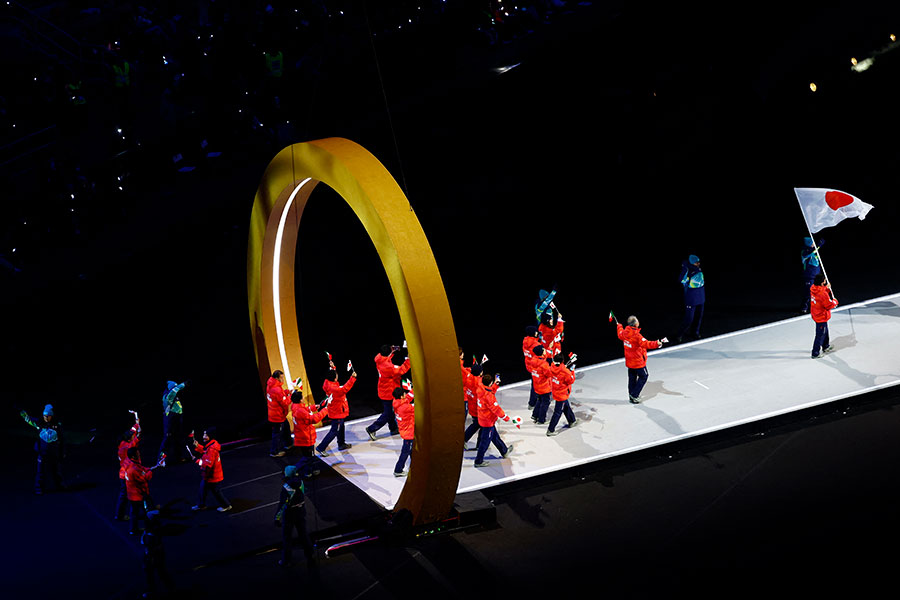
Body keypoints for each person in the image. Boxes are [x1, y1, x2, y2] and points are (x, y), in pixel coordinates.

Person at [616, 315, 664, 403]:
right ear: (635, 324)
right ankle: (634, 395)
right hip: (638, 362)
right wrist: (657, 343)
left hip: (629, 361)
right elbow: (647, 344)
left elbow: (619, 333)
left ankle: (631, 395)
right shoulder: (637, 336)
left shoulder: (624, 333)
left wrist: (619, 326)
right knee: (644, 376)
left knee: (632, 378)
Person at [19, 404, 65, 494]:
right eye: (44, 416)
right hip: (42, 452)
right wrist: (23, 413)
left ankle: (59, 486)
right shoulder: (39, 422)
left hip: (53, 452)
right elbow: (29, 419)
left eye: (48, 416)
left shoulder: (57, 425)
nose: (46, 418)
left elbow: (62, 440)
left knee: (56, 471)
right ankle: (38, 488)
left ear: (51, 416)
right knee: (40, 471)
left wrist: (62, 452)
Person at [366, 345, 409, 440]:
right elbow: (401, 370)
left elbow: (387, 356)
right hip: (388, 392)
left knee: (390, 411)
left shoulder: (379, 358)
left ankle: (393, 429)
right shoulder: (388, 367)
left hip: (383, 389)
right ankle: (371, 429)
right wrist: (408, 360)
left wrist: (393, 350)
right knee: (388, 413)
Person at [275, 465, 314, 569]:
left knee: (287, 538)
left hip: (289, 515)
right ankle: (310, 554)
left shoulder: (286, 487)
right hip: (301, 511)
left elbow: (283, 504)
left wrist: (277, 518)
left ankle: (286, 560)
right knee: (304, 535)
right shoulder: (301, 482)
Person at [474, 374, 514, 467]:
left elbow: (489, 390)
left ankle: (504, 451)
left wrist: (495, 385)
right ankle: (478, 461)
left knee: (495, 436)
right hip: (487, 421)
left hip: (482, 417)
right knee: (485, 442)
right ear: (490, 383)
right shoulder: (489, 397)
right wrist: (505, 417)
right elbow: (496, 409)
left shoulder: (480, 387)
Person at [316, 368, 357, 456]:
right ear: (334, 378)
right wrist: (352, 378)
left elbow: (331, 376)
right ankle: (321, 447)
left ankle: (341, 444)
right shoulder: (335, 389)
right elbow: (345, 389)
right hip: (337, 412)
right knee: (334, 431)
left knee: (341, 427)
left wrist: (333, 367)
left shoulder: (327, 382)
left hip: (335, 409)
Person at [191, 427, 232, 512]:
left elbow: (207, 465)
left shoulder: (212, 449)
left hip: (212, 476)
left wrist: (196, 460)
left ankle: (226, 505)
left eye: (206, 435)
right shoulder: (211, 445)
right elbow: (205, 451)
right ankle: (201, 505)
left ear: (211, 437)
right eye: (204, 434)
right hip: (209, 475)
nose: (203, 437)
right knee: (203, 490)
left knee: (216, 492)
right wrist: (198, 446)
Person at [289, 390, 328, 477]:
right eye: (302, 397)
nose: (304, 398)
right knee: (308, 457)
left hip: (300, 436)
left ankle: (308, 471)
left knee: (308, 456)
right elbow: (314, 419)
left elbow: (305, 409)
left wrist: (314, 407)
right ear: (300, 400)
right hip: (306, 438)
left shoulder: (295, 406)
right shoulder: (300, 411)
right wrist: (325, 410)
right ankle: (294, 470)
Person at [141, 510, 175, 598]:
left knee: (152, 573)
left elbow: (150, 548)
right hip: (158, 553)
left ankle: (151, 591)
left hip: (153, 555)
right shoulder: (156, 528)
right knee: (161, 571)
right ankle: (170, 588)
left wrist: (149, 559)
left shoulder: (151, 533)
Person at [158, 380, 191, 465]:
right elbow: (173, 391)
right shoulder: (168, 396)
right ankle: (161, 460)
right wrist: (182, 384)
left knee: (178, 438)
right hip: (170, 419)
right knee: (167, 438)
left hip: (176, 418)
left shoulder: (174, 396)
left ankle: (179, 457)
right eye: (175, 388)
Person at [116, 416, 142, 521]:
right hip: (128, 475)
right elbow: (136, 438)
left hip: (124, 474)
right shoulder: (128, 448)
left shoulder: (123, 443)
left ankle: (119, 515)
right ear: (129, 439)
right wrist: (139, 433)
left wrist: (136, 423)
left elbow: (133, 432)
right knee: (134, 495)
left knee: (124, 495)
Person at [675, 254, 705, 342]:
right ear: (692, 263)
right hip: (691, 298)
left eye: (698, 262)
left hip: (700, 297)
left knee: (698, 317)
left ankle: (695, 332)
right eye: (696, 262)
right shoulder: (687, 270)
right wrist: (687, 280)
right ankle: (680, 334)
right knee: (689, 318)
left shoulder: (698, 269)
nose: (698, 263)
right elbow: (681, 281)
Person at [124, 447, 153, 535]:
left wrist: (146, 469)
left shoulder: (130, 464)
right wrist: (150, 472)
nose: (139, 455)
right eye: (137, 454)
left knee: (134, 513)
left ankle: (133, 529)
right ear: (133, 456)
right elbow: (144, 478)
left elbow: (141, 469)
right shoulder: (134, 469)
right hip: (138, 496)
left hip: (131, 494)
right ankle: (148, 529)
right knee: (145, 511)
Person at [547, 354, 577, 436]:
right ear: (562, 361)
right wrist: (572, 371)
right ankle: (550, 430)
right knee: (557, 412)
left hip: (555, 391)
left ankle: (572, 421)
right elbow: (571, 380)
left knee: (566, 406)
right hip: (561, 394)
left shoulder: (552, 366)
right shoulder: (565, 372)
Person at [810, 273, 838, 358]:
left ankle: (825, 346)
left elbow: (820, 293)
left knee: (825, 331)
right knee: (820, 334)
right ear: (822, 282)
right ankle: (815, 353)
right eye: (824, 281)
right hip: (821, 316)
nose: (826, 281)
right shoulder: (822, 293)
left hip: (816, 313)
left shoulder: (813, 288)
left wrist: (826, 288)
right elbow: (828, 305)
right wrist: (835, 302)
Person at [266, 370, 292, 457]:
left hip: (275, 413)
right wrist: (291, 396)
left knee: (286, 427)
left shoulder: (271, 384)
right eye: (281, 377)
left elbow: (278, 396)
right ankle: (274, 452)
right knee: (277, 434)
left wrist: (286, 392)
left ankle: (288, 444)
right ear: (277, 378)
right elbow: (284, 402)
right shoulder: (276, 389)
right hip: (277, 415)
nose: (283, 379)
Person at [526, 345, 553, 424]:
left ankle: (535, 415)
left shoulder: (534, 360)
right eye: (544, 349)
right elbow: (549, 374)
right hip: (545, 388)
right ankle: (541, 420)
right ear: (541, 353)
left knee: (540, 400)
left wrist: (549, 348)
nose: (545, 350)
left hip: (537, 386)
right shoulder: (544, 365)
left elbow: (544, 356)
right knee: (545, 403)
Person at [392, 387, 415, 476]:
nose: (406, 394)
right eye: (404, 393)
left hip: (405, 430)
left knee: (411, 449)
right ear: (401, 397)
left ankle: (415, 464)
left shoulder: (397, 402)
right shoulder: (405, 408)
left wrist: (414, 389)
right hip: (408, 433)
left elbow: (408, 398)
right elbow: (418, 407)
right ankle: (398, 470)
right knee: (405, 452)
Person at [463, 363, 485, 449]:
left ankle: (478, 445)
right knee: (479, 425)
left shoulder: (468, 379)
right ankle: (478, 445)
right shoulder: (479, 384)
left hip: (471, 407)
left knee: (477, 424)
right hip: (478, 409)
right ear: (480, 373)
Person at [801, 238, 825, 314]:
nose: (813, 244)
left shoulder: (814, 251)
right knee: (809, 292)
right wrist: (818, 245)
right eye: (812, 243)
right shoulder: (805, 252)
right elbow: (810, 252)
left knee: (820, 292)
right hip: (809, 276)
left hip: (817, 275)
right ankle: (804, 306)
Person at [522, 325, 541, 408]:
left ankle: (533, 402)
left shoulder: (525, 341)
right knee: (536, 385)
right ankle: (532, 403)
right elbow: (540, 355)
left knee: (535, 383)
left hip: (529, 365)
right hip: (536, 366)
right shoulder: (535, 345)